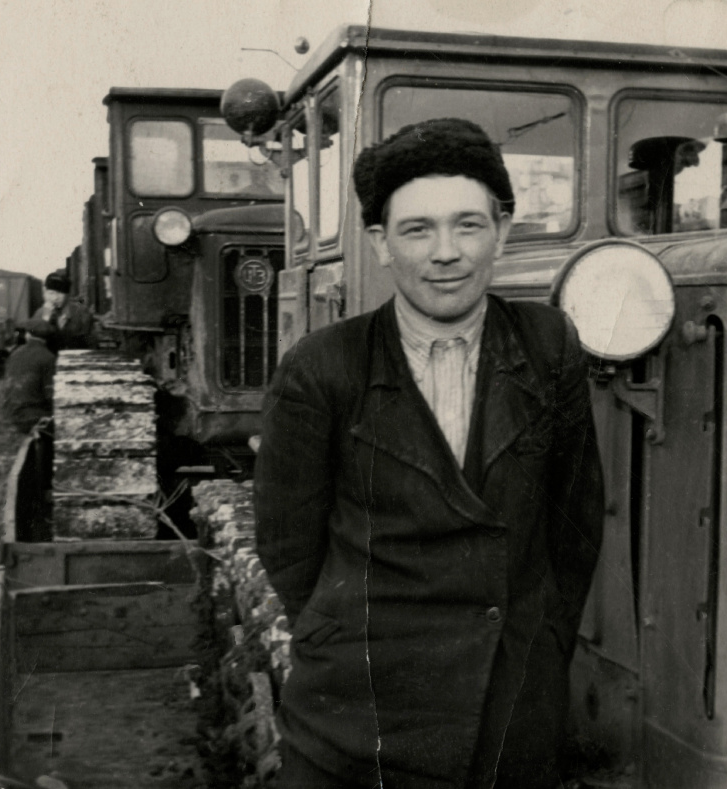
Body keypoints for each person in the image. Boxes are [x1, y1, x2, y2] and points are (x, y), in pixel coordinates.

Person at [254, 118, 604, 789]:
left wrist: (541, 649)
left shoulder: (548, 346)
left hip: (507, 715)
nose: (447, 253)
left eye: (468, 225)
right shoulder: (322, 367)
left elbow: (575, 522)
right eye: (417, 230)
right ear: (381, 243)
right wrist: (343, 646)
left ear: (501, 230)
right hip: (360, 723)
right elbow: (288, 543)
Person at [3, 318, 56, 434]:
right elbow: (50, 395)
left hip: (10, 412)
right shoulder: (48, 357)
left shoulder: (15, 354)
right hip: (32, 416)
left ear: (28, 335)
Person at [34, 270, 92, 352]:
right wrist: (45, 320)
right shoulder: (39, 313)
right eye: (51, 293)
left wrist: (63, 331)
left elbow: (88, 344)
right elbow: (36, 346)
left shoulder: (81, 313)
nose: (55, 298)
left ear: (68, 295)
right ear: (45, 293)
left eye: (60, 293)